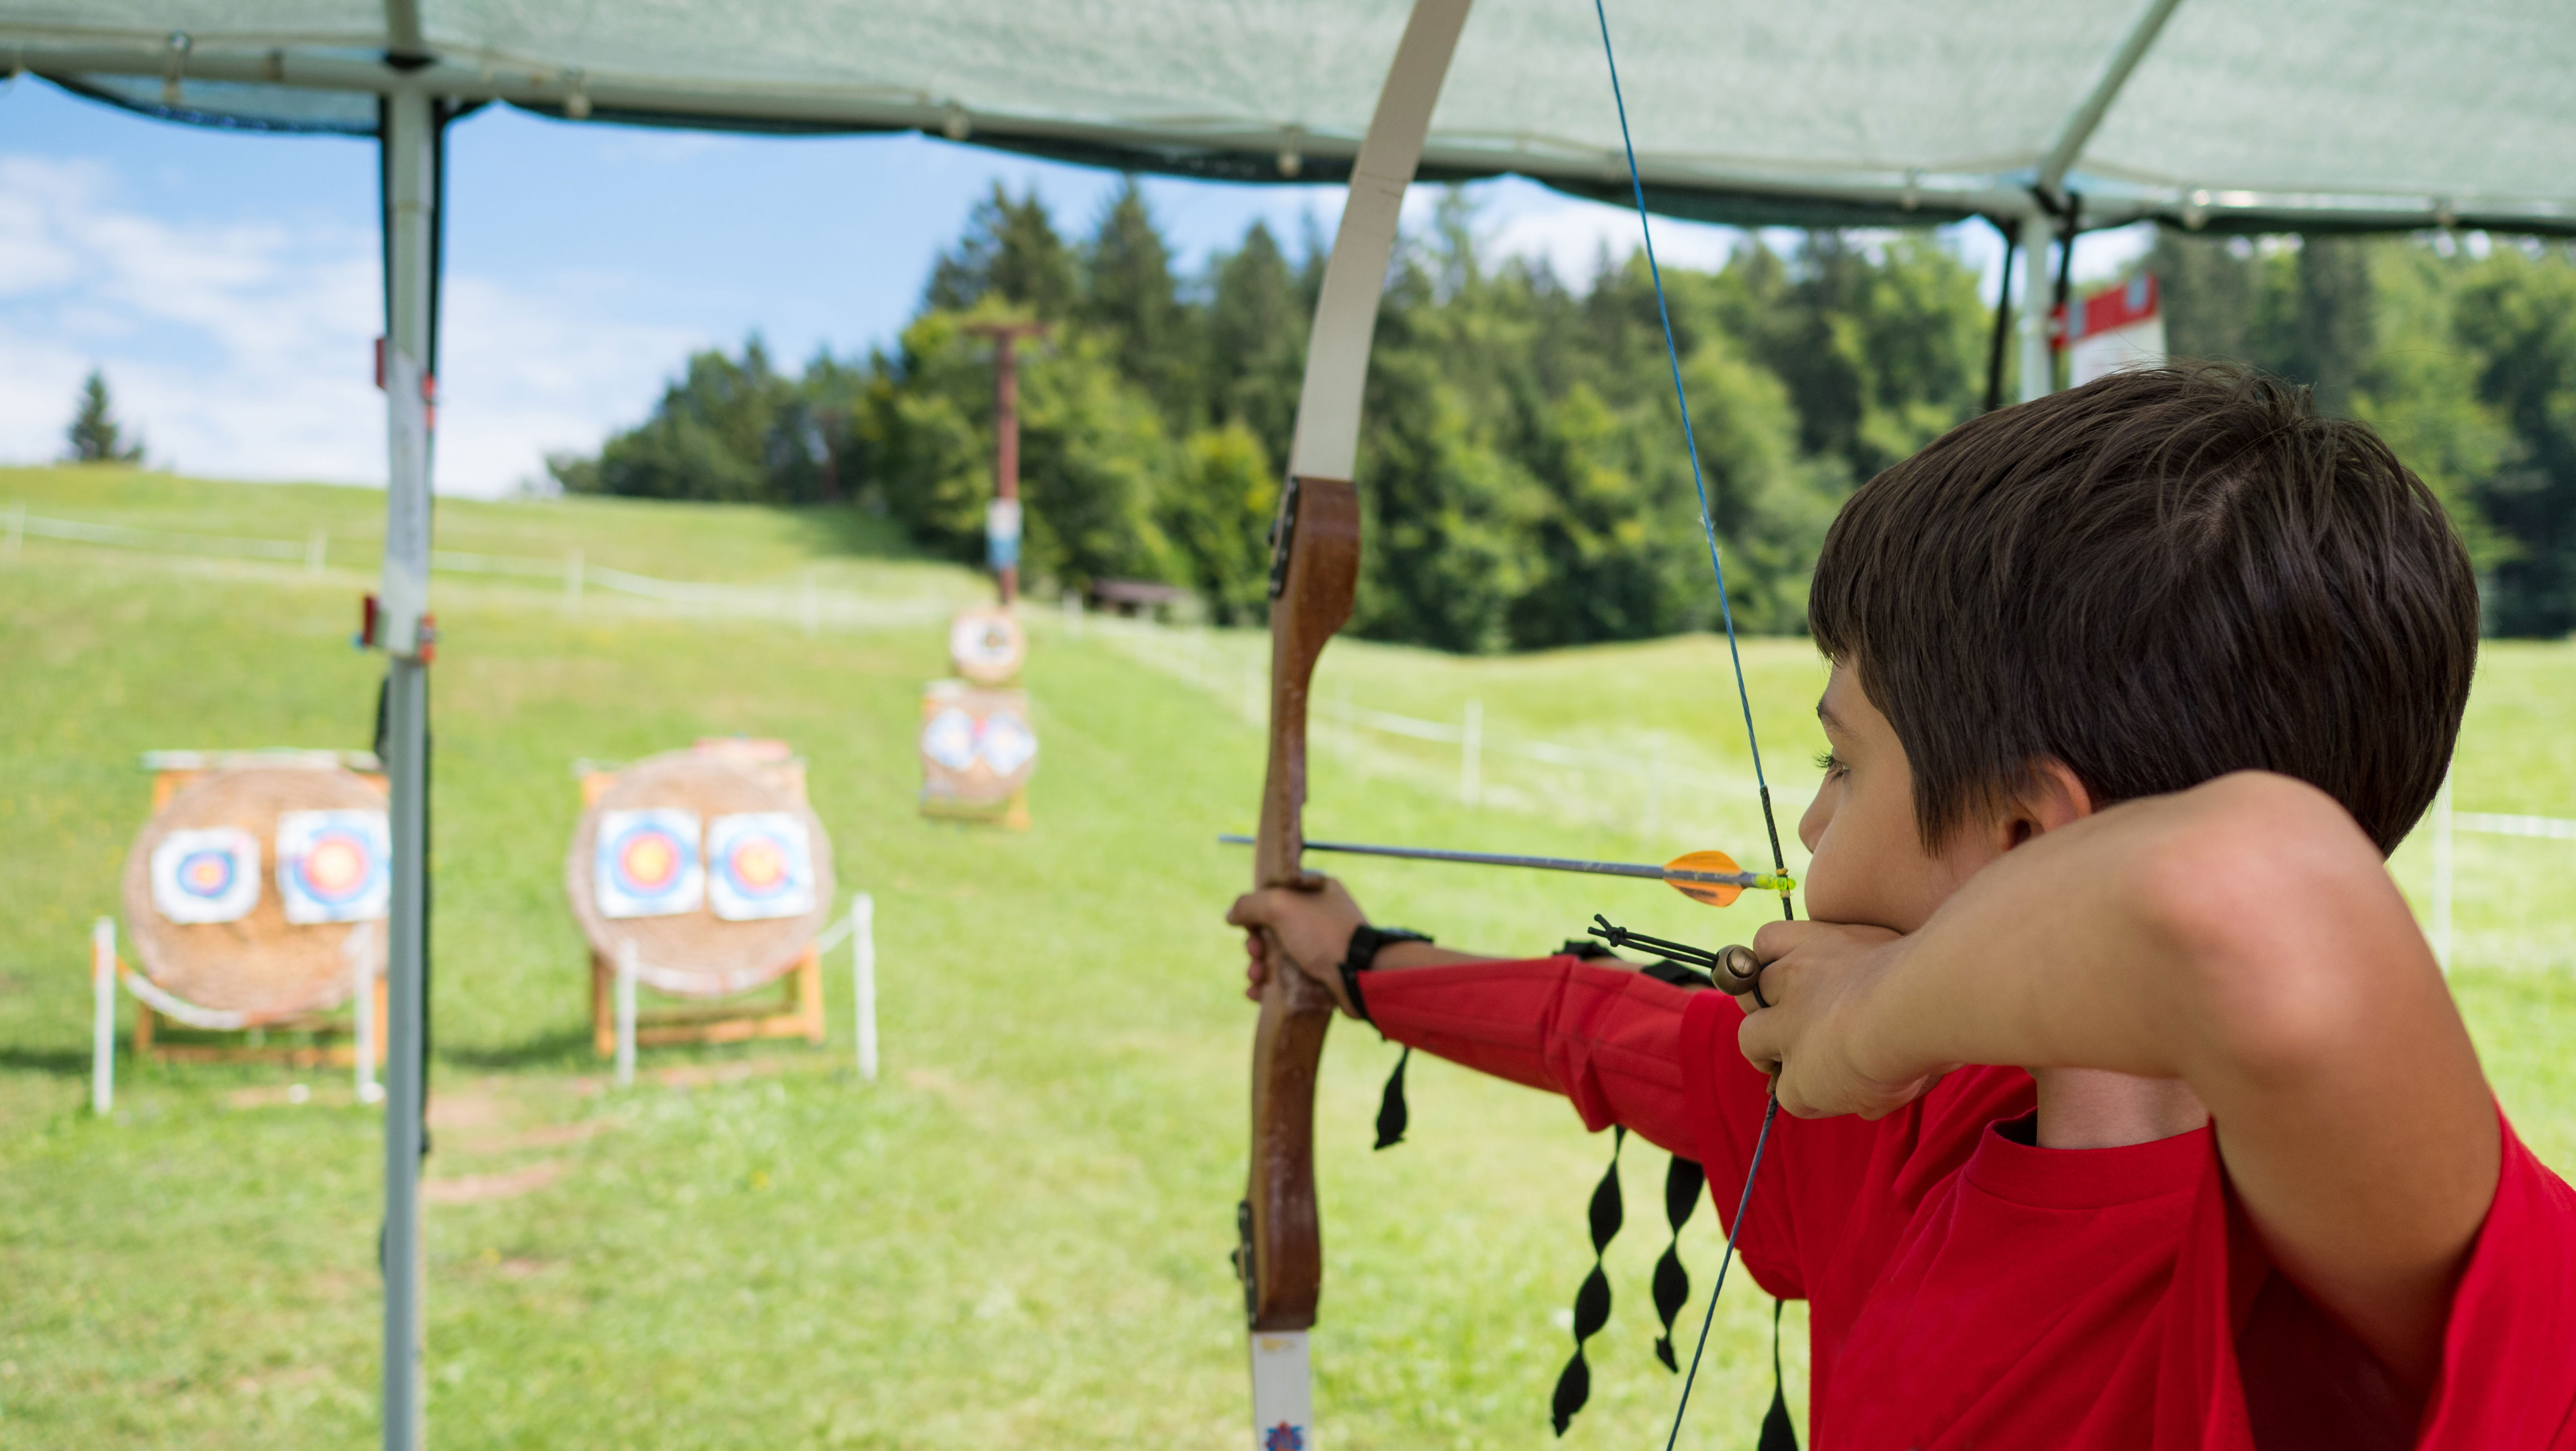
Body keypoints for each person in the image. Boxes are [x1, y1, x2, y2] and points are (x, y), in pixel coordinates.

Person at [1227, 365, 2576, 1451]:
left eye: (1843, 761)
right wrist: (1357, 959)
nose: (1813, 821)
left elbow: (2244, 897)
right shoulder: (1896, 1122)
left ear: (2024, 832)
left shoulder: (2379, 1277)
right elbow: (1602, 1031)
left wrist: (1874, 1016)